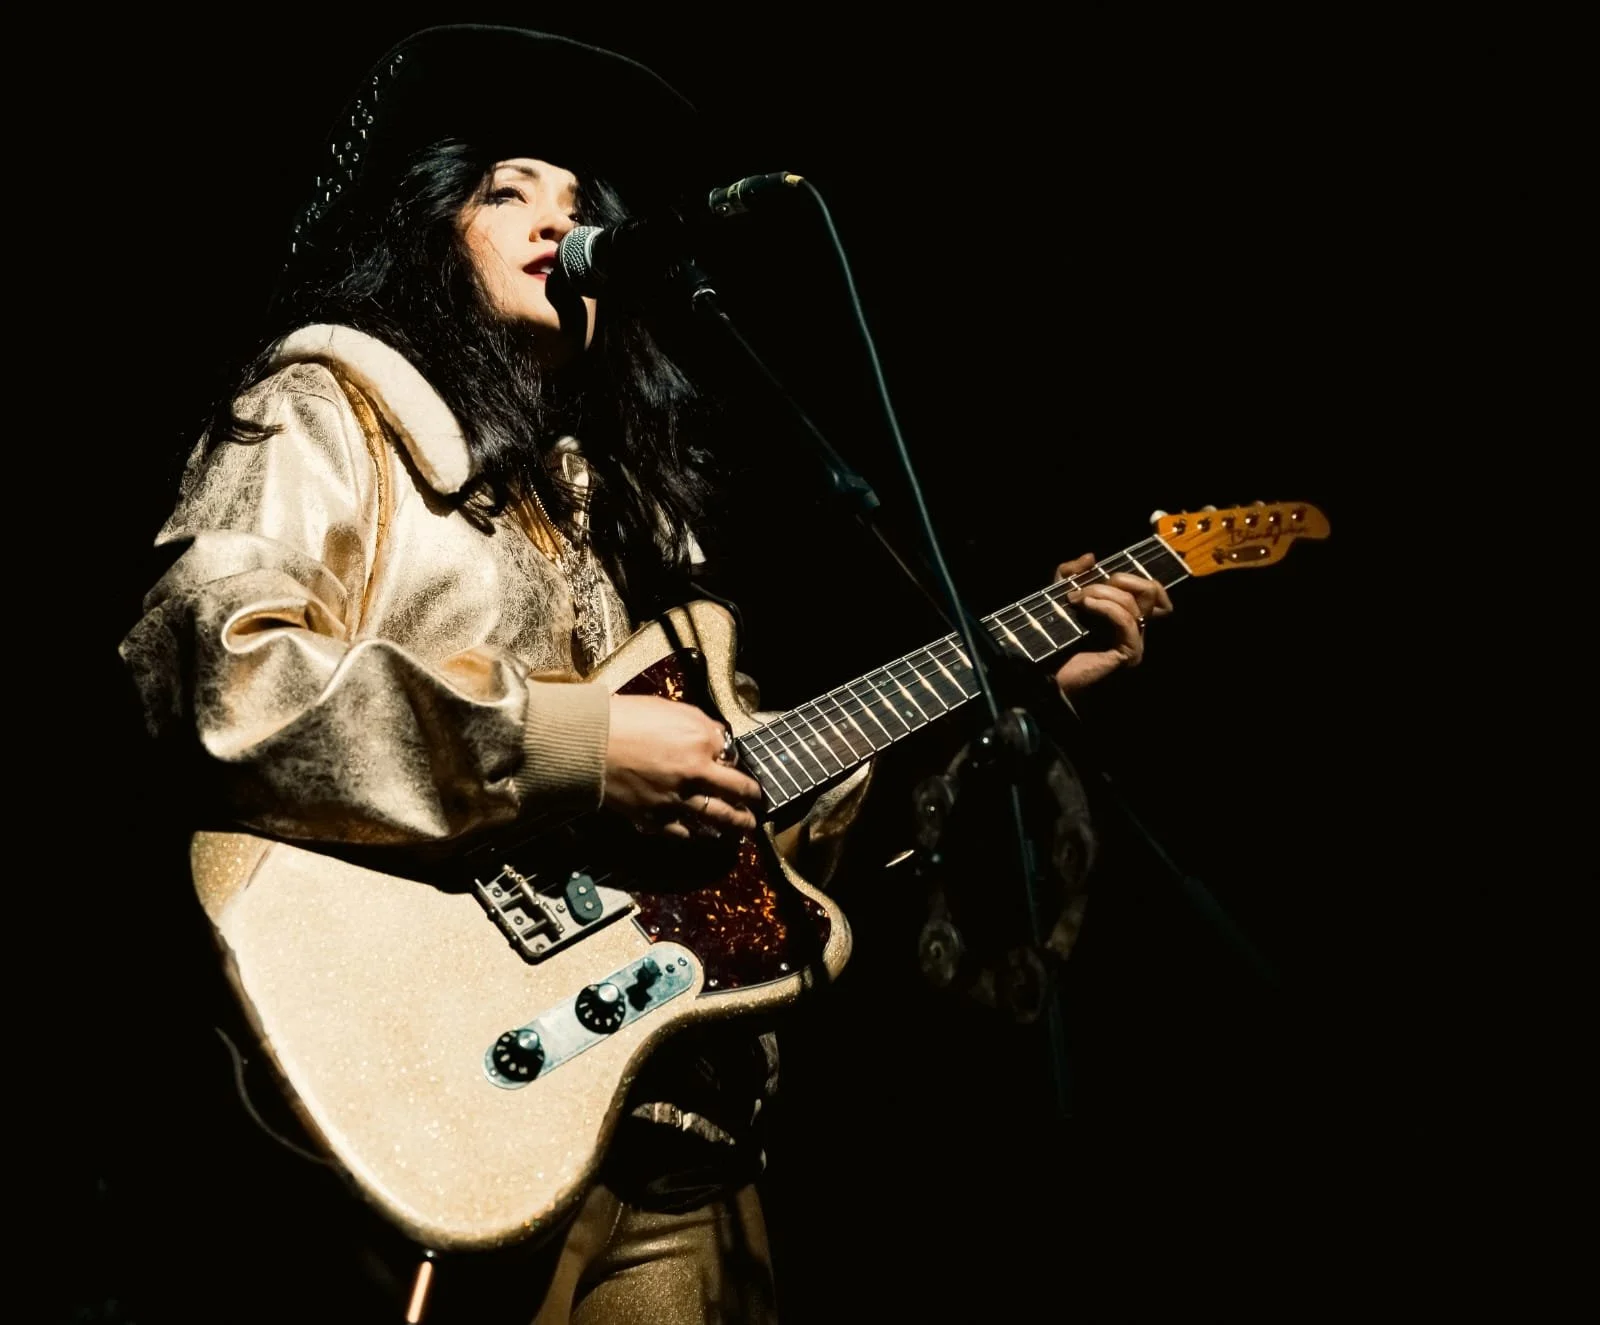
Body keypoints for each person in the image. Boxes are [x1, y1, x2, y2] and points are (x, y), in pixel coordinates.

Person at [115, 23, 1174, 1324]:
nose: (561, 221)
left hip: (679, 1132)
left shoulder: (632, 516)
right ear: (428, 226)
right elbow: (223, 680)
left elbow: (750, 813)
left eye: (583, 203)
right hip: (420, 1106)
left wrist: (1000, 697)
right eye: (511, 190)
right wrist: (573, 749)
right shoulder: (331, 411)